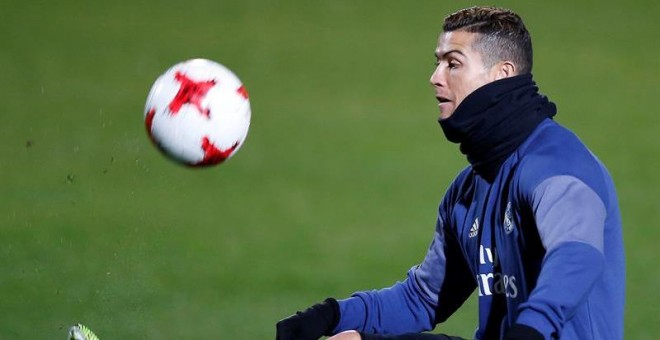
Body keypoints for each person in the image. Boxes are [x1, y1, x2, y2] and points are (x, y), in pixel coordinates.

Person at [275, 6, 625, 340]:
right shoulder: (467, 192)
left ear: (501, 75)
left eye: (452, 64)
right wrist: (331, 315)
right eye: (437, 63)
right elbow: (422, 299)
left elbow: (577, 255)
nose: (434, 78)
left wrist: (530, 329)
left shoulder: (558, 166)